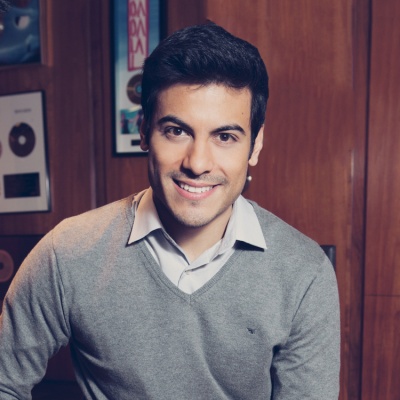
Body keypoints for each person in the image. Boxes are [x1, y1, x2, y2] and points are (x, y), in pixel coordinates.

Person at [0, 22, 340, 399]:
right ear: (144, 131)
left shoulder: (304, 273)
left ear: (255, 146)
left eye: (225, 137)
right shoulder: (67, 253)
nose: (197, 163)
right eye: (177, 131)